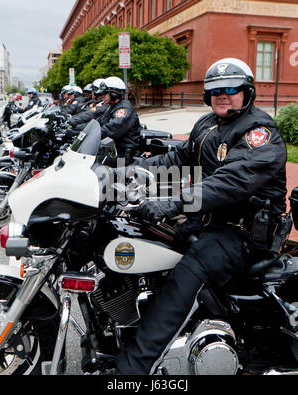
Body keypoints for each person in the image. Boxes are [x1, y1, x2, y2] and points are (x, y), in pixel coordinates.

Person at [111, 58, 287, 374]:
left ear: (247, 91)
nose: (223, 94)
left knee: (185, 279)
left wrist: (173, 204)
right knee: (143, 239)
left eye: (231, 89)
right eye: (215, 90)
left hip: (241, 234)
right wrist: (121, 175)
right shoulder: (207, 126)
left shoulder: (259, 133)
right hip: (209, 222)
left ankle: (133, 368)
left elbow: (231, 182)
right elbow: (177, 158)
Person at [97, 76, 142, 166]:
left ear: (114, 93)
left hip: (124, 156)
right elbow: (100, 122)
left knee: (98, 165)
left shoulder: (124, 109)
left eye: (105, 94)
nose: (103, 96)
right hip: (115, 150)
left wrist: (95, 134)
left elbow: (112, 128)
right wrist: (80, 131)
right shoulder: (112, 107)